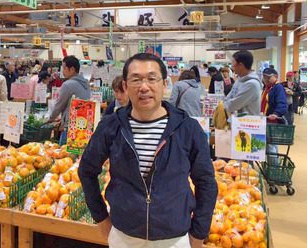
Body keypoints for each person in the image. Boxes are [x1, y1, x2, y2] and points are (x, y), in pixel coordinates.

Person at [78, 53, 217, 248]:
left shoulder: (187, 129)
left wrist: (199, 232)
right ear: (125, 86)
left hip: (174, 239)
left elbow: (206, 182)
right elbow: (87, 170)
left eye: (152, 79)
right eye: (136, 79)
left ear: (165, 84)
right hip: (124, 237)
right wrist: (101, 218)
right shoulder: (111, 127)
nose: (144, 87)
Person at [49, 56, 91, 145]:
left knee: (64, 155)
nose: (62, 71)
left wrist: (51, 118)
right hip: (83, 125)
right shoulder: (86, 84)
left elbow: (58, 105)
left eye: (64, 68)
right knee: (77, 155)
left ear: (72, 69)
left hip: (70, 127)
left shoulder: (67, 85)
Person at [223, 50, 262, 116]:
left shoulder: (252, 84)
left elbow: (233, 105)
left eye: (233, 65)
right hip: (236, 122)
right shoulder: (239, 80)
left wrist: (222, 106)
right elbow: (228, 98)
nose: (232, 68)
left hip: (248, 123)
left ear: (241, 65)